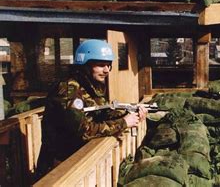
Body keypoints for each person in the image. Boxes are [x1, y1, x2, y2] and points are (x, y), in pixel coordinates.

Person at [36, 39, 147, 178]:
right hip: (59, 166)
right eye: (100, 65)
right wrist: (124, 122)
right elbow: (83, 131)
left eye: (108, 65)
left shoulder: (90, 86)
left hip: (78, 161)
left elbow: (103, 112)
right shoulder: (69, 90)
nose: (106, 70)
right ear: (85, 66)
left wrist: (130, 113)